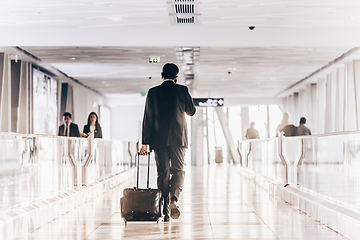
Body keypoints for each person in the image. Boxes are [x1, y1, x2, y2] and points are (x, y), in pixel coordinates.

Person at [140, 63, 196, 222]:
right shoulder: (182, 90)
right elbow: (191, 111)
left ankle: (164, 208)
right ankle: (174, 200)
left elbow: (148, 119)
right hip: (179, 137)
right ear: (176, 77)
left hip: (159, 139)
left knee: (163, 172)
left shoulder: (152, 92)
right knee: (178, 170)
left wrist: (145, 142)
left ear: (161, 75)